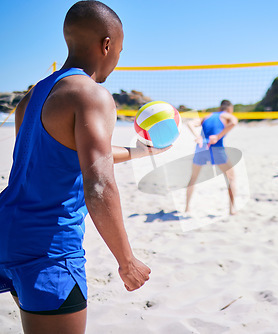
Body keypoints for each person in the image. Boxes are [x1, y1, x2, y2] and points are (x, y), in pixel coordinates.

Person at [0, 2, 168, 333]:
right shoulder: (92, 95)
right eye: (120, 50)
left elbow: (60, 155)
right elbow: (99, 184)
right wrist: (126, 261)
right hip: (49, 247)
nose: (118, 58)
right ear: (107, 44)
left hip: (8, 230)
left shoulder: (31, 97)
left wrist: (136, 152)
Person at [185, 100, 238, 215]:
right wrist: (218, 136)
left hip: (201, 147)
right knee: (231, 178)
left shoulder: (208, 115)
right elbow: (234, 122)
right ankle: (232, 210)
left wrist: (197, 136)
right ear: (229, 109)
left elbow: (189, 123)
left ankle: (187, 208)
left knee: (193, 178)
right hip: (216, 148)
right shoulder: (226, 115)